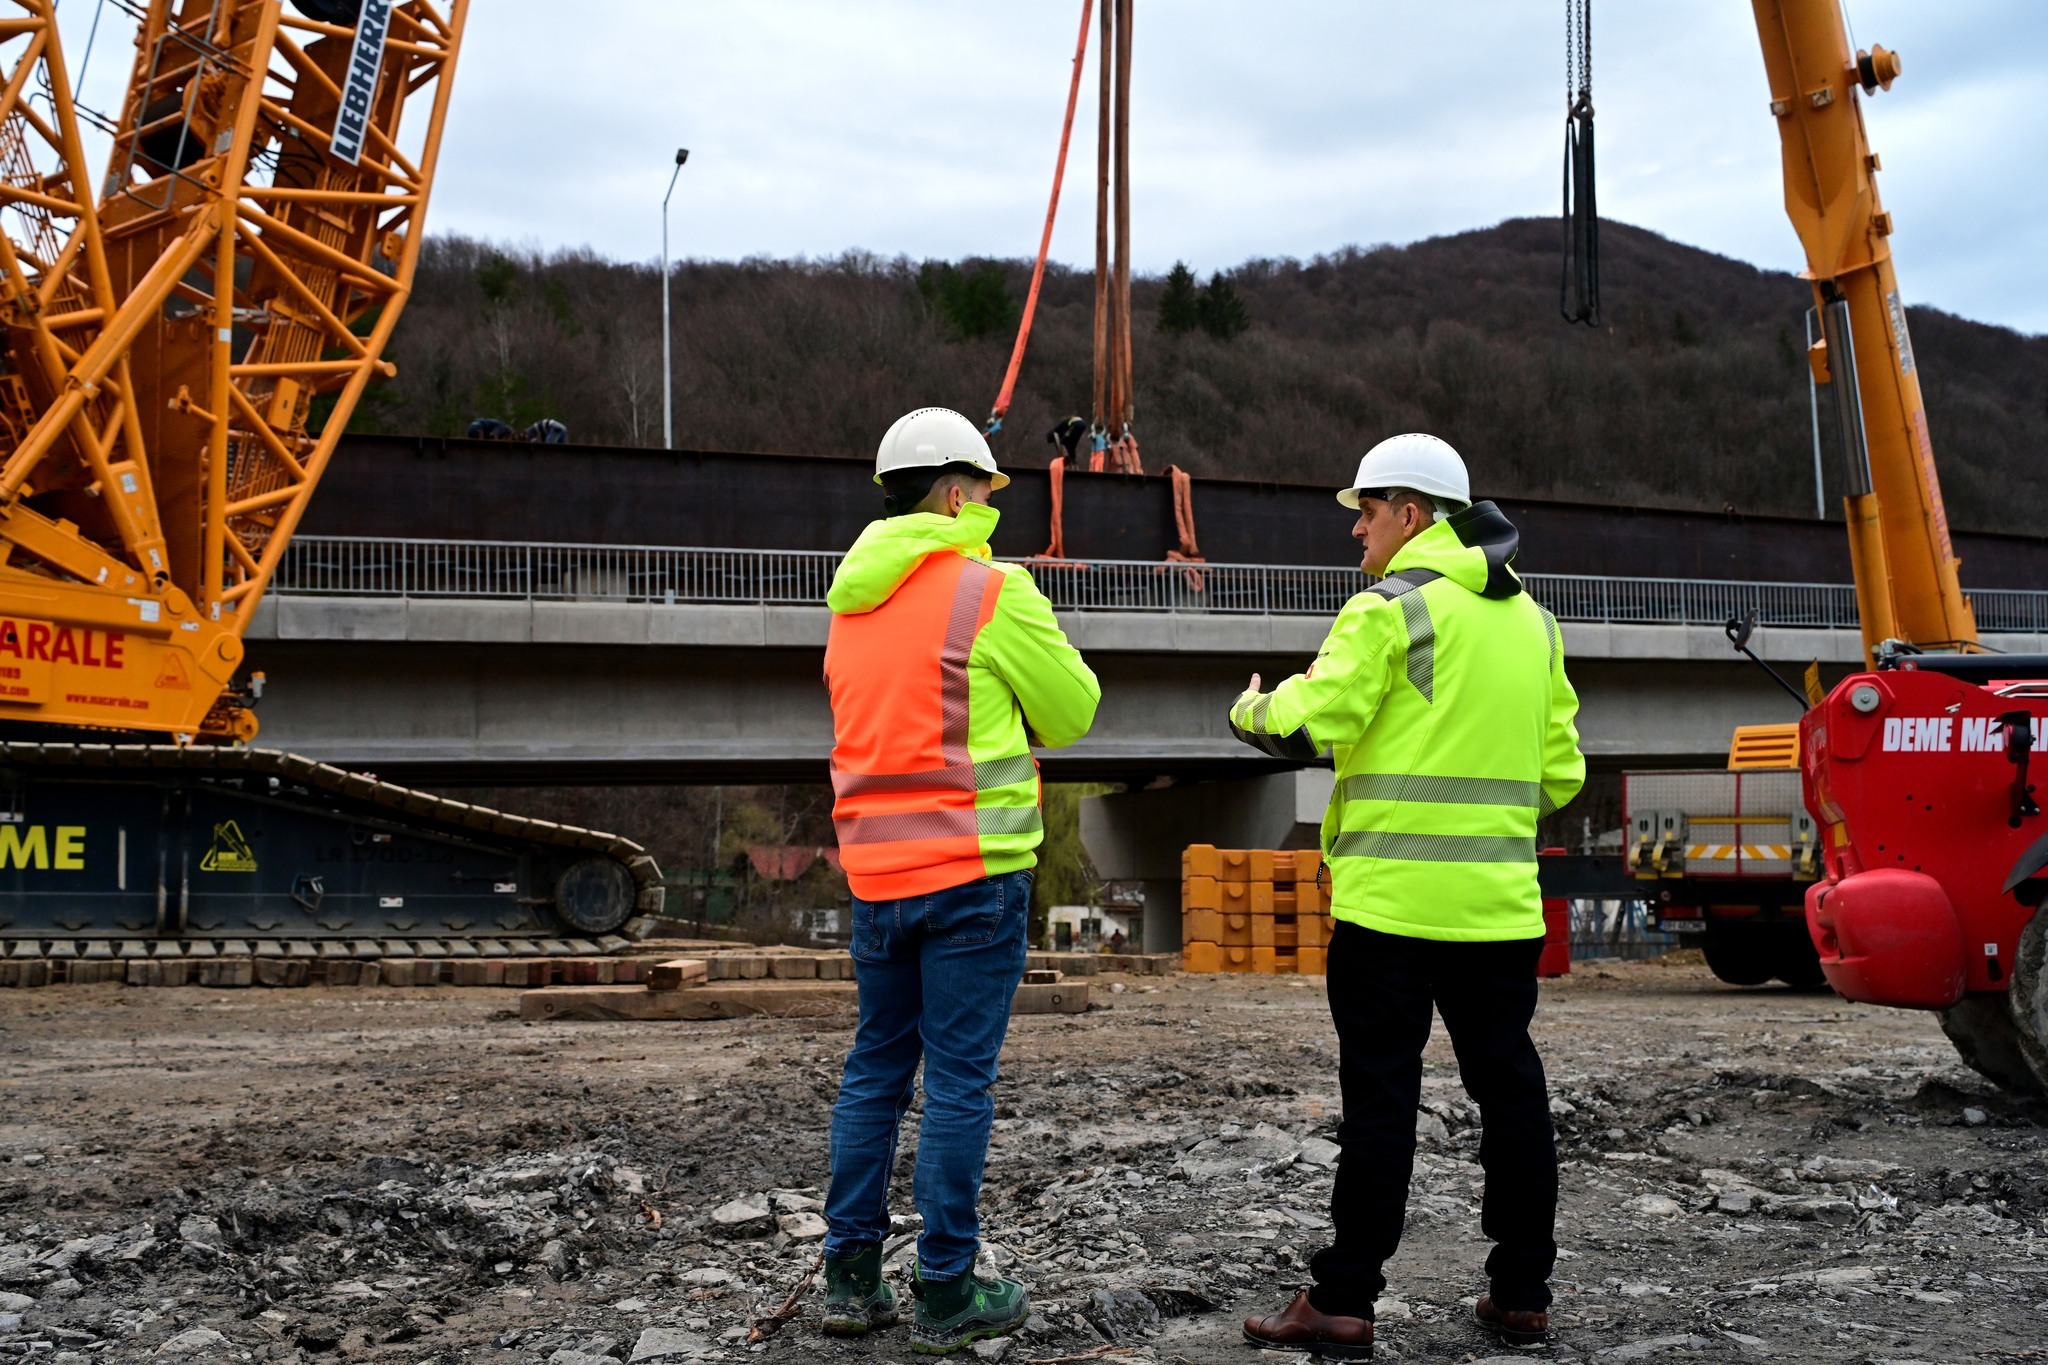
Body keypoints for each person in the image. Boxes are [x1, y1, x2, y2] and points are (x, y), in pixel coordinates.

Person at [1232, 433, 1584, 1360]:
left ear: (1413, 515)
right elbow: (1563, 778)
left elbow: (1311, 719)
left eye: (1368, 508)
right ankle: (1522, 1293)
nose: (1357, 528)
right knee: (1511, 1096)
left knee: (1382, 1103)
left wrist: (1249, 708)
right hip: (1503, 916)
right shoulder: (1535, 624)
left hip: (1390, 913)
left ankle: (1344, 1301)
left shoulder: (1388, 610)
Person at [819, 407, 1100, 1355]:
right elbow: (1073, 712)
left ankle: (850, 1279)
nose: (990, 505)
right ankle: (945, 1287)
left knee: (874, 1074)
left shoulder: (850, 603)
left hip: (876, 877)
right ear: (952, 492)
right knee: (959, 1085)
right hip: (974, 877)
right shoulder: (990, 591)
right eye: (984, 490)